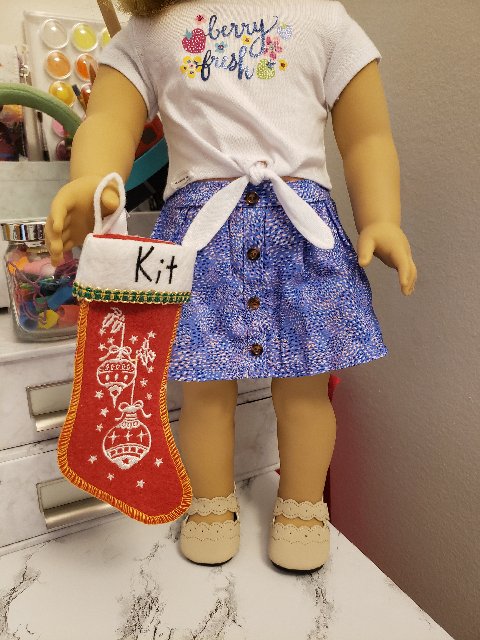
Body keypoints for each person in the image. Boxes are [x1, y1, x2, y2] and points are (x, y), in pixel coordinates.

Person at [45, 0, 417, 571]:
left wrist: (381, 218)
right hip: (201, 230)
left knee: (305, 385)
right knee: (204, 387)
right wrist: (95, 182)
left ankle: (302, 508)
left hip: (299, 230)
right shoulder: (153, 27)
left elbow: (367, 136)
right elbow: (110, 120)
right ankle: (211, 505)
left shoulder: (324, 18)